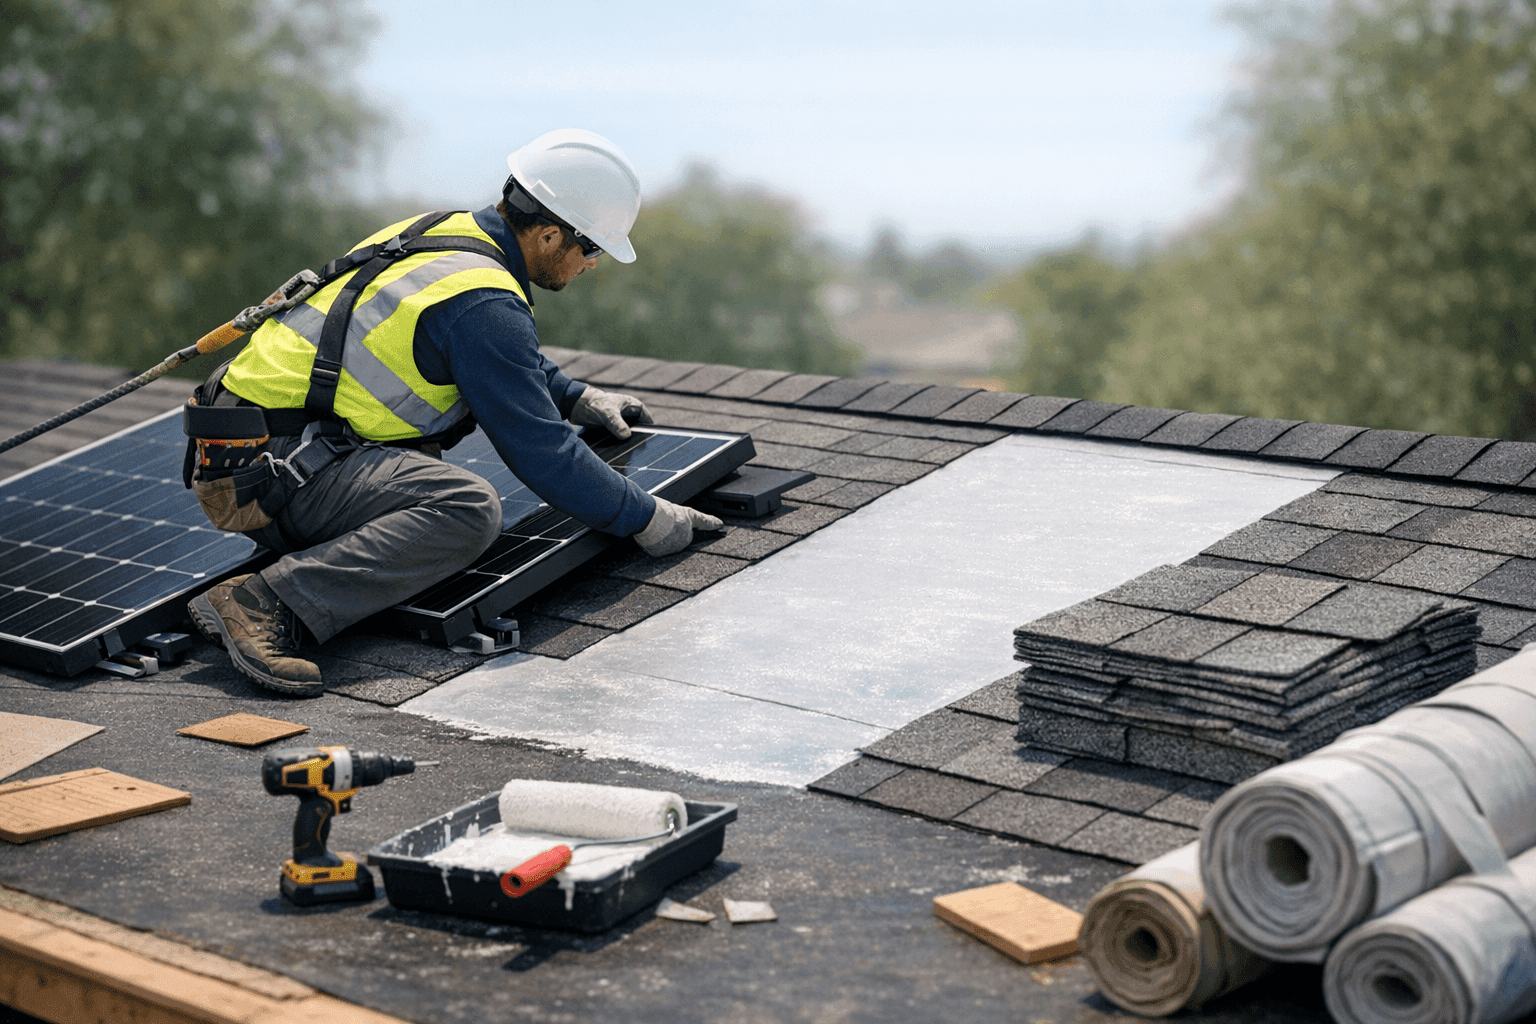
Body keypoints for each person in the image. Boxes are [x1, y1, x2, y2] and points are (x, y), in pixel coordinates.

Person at [182, 128, 722, 697]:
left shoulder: (445, 231)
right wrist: (649, 519)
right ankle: (262, 602)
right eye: (590, 249)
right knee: (464, 507)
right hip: (271, 472)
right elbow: (544, 453)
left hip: (247, 446)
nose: (591, 265)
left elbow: (482, 354)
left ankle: (297, 559)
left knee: (427, 462)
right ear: (547, 235)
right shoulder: (484, 302)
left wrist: (574, 396)